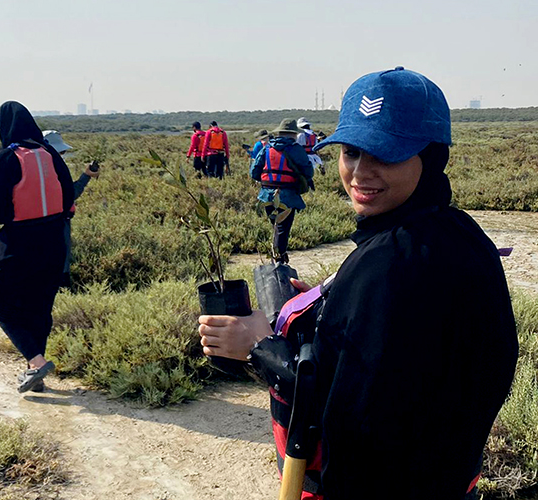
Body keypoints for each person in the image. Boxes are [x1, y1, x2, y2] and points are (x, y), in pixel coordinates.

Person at [198, 67, 518, 499]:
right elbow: (407, 368)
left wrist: (259, 346)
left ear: (432, 157)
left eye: (385, 154)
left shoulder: (389, 263)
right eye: (352, 152)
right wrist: (335, 305)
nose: (361, 172)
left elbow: (350, 413)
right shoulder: (458, 233)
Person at [0, 102, 74, 394]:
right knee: (39, 307)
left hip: (18, 244)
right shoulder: (50, 154)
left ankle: (36, 360)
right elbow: (69, 198)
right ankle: (36, 371)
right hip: (55, 242)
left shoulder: (8, 157)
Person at [42, 130, 101, 287]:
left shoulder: (35, 168)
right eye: (60, 151)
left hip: (41, 221)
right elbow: (70, 194)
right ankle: (62, 290)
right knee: (61, 261)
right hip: (58, 221)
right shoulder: (56, 169)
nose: (62, 154)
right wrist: (85, 177)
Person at [251, 118, 314, 262]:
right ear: (293, 134)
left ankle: (278, 257)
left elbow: (254, 172)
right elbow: (309, 172)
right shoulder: (296, 149)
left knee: (276, 226)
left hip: (266, 195)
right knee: (282, 229)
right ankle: (279, 261)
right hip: (287, 196)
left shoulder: (266, 148)